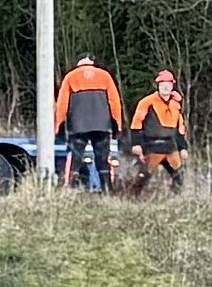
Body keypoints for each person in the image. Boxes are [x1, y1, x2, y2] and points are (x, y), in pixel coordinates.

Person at [51, 53, 125, 192]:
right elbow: (115, 102)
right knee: (103, 160)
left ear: (79, 62)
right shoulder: (105, 75)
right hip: (102, 126)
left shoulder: (70, 77)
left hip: (78, 126)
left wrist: (58, 126)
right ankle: (107, 190)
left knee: (75, 158)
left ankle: (69, 189)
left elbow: (62, 104)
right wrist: (117, 125)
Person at [127, 70, 188, 194]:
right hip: (152, 145)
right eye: (162, 84)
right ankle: (132, 198)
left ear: (172, 86)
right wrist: (136, 144)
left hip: (171, 146)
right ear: (158, 86)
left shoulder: (175, 105)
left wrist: (183, 147)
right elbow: (136, 123)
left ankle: (177, 199)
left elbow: (180, 128)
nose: (166, 87)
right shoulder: (147, 102)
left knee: (178, 176)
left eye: (168, 84)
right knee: (144, 175)